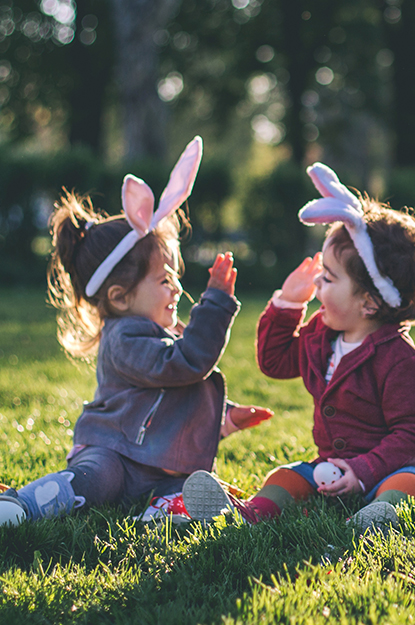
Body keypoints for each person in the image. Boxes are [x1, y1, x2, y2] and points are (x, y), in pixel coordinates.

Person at [0, 138, 273, 526]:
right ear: (120, 296)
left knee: (185, 486)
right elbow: (184, 366)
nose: (177, 287)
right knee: (94, 481)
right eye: (164, 278)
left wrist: (226, 418)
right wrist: (214, 305)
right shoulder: (125, 338)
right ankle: (22, 506)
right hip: (113, 453)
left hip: (157, 464)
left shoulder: (157, 333)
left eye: (176, 276)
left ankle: (163, 512)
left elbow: (174, 397)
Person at [182, 163, 415, 532]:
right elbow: (275, 362)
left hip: (397, 465)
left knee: (407, 484)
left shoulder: (402, 361)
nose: (317, 283)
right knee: (287, 475)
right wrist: (288, 306)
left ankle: (377, 516)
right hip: (331, 465)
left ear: (369, 303)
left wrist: (363, 471)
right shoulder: (321, 335)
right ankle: (247, 512)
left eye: (328, 278)